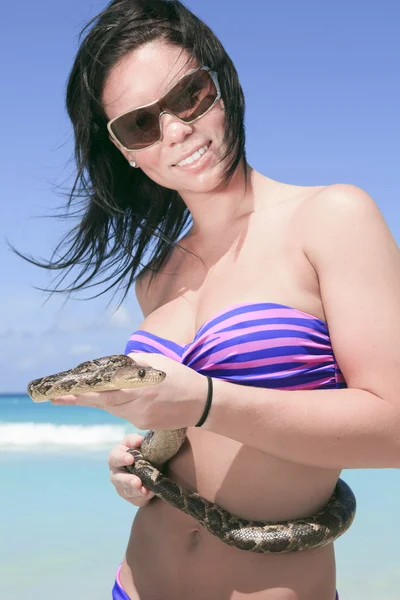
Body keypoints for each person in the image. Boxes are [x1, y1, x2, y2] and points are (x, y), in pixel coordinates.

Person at [30, 1, 400, 599]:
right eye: (140, 125)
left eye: (188, 95)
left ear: (221, 84)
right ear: (125, 149)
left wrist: (203, 400)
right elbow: (202, 440)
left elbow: (395, 431)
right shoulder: (155, 279)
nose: (175, 129)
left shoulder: (333, 217)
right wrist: (146, 465)